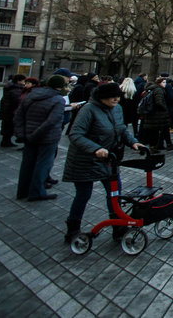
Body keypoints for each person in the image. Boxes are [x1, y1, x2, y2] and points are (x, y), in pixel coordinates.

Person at [62, 82, 145, 243]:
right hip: (85, 159)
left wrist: (132, 142)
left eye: (118, 96)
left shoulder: (117, 109)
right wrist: (95, 149)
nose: (116, 99)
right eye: (112, 97)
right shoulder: (88, 109)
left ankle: (118, 226)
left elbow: (121, 129)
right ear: (102, 97)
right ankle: (72, 229)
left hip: (109, 159)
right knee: (83, 194)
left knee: (114, 193)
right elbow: (75, 134)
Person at [14, 75, 68, 200]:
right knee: (43, 164)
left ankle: (22, 191)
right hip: (47, 137)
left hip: (29, 135)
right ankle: (36, 192)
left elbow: (18, 115)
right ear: (60, 87)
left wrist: (22, 134)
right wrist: (35, 134)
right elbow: (52, 121)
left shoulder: (31, 95)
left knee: (27, 163)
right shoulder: (58, 99)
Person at [141, 77, 173, 151]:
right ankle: (154, 147)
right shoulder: (158, 90)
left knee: (158, 130)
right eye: (163, 82)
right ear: (159, 83)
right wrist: (164, 108)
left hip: (154, 114)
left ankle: (159, 145)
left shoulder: (153, 89)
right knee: (155, 131)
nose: (165, 84)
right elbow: (159, 102)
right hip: (157, 114)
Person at [0, 74, 27, 147]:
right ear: (19, 81)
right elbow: (17, 100)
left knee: (7, 126)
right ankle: (6, 142)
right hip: (11, 111)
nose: (25, 82)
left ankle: (5, 141)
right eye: (23, 80)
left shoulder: (11, 87)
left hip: (8, 110)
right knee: (9, 127)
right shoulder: (15, 89)